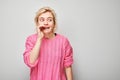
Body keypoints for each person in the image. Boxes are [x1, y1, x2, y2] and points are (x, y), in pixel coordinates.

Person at [23, 7, 73, 80]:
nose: (46, 23)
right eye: (42, 20)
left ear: (54, 23)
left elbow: (68, 66)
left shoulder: (63, 41)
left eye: (49, 20)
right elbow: (31, 62)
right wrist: (39, 39)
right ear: (37, 23)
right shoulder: (31, 39)